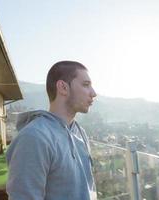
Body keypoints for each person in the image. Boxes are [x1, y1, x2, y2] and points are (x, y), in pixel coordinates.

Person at [6, 61, 97, 200]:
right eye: (86, 85)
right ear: (63, 87)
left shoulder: (81, 133)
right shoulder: (34, 137)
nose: (93, 93)